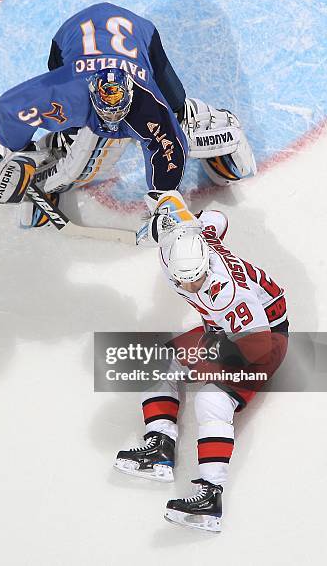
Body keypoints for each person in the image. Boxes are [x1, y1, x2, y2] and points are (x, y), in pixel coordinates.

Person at [0, 3, 256, 227]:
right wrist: (19, 151)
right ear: (91, 93)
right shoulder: (65, 92)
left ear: (132, 92)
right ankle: (61, 146)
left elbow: (169, 148)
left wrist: (163, 199)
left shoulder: (148, 101)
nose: (113, 121)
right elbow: (10, 109)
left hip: (140, 34)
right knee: (73, 135)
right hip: (70, 35)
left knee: (178, 112)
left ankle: (223, 125)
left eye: (120, 109)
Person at [114, 191, 288, 531]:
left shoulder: (228, 294)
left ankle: (211, 494)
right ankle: (159, 446)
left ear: (207, 263)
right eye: (184, 280)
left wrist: (212, 360)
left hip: (262, 337)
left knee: (211, 401)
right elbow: (216, 219)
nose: (191, 285)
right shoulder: (179, 247)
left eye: (197, 277)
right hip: (223, 329)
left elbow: (257, 348)